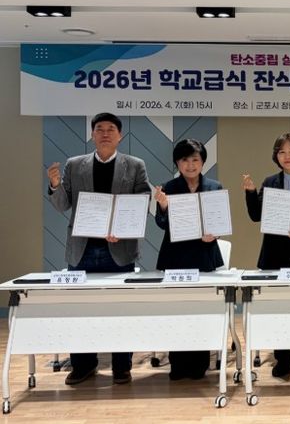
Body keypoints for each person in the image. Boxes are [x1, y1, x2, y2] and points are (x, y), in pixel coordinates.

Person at [46, 112, 151, 386]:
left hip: (119, 250)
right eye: (100, 129)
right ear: (92, 134)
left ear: (120, 135)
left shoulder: (135, 165)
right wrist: (55, 186)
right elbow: (63, 205)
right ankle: (83, 365)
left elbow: (143, 199)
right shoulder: (74, 164)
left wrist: (122, 227)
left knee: (121, 310)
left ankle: (121, 366)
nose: (105, 133)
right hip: (81, 250)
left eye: (111, 129)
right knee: (80, 310)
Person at [242, 133, 290, 378]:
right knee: (277, 308)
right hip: (275, 254)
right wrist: (250, 192)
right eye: (282, 152)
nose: (287, 156)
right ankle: (282, 359)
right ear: (276, 156)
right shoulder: (269, 182)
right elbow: (256, 216)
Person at [154, 139, 224, 380]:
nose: (190, 164)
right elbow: (161, 223)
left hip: (204, 255)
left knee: (201, 310)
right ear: (177, 163)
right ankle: (177, 363)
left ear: (203, 162)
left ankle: (199, 364)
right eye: (185, 160)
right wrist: (163, 206)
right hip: (176, 257)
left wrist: (214, 233)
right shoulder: (168, 187)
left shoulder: (214, 187)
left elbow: (219, 221)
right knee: (177, 311)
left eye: (195, 159)